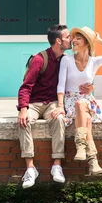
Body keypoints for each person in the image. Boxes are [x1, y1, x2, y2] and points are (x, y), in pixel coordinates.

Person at [17, 24, 74, 189]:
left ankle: (57, 165)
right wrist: (23, 109)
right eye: (68, 37)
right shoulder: (39, 59)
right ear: (58, 41)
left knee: (59, 119)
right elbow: (26, 86)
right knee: (24, 122)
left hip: (52, 103)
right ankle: (30, 169)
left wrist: (89, 87)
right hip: (34, 103)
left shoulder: (66, 60)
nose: (70, 40)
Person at [57, 26, 102, 175]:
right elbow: (60, 84)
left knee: (82, 104)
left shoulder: (94, 62)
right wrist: (60, 105)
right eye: (74, 38)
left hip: (87, 101)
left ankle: (80, 148)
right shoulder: (66, 60)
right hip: (70, 101)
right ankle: (93, 162)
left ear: (87, 43)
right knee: (86, 119)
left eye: (79, 38)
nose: (74, 40)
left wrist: (99, 40)